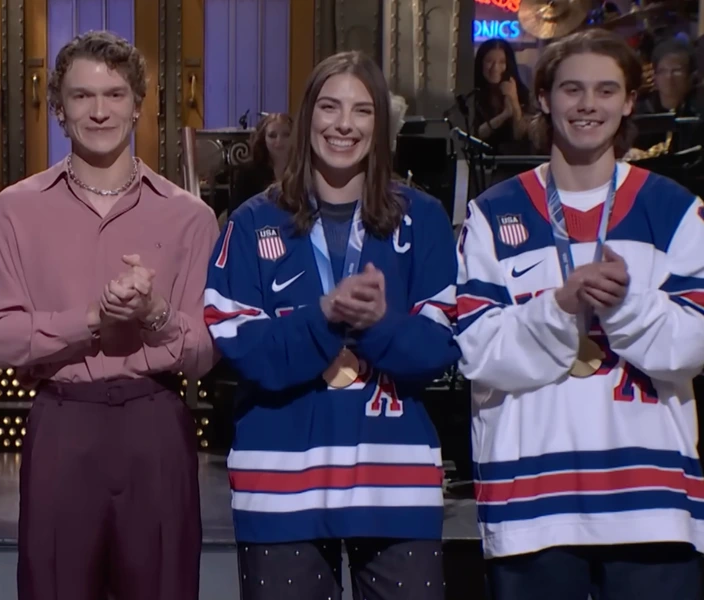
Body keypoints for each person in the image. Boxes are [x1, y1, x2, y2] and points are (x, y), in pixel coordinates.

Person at [456, 29, 704, 600]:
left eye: (605, 90)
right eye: (572, 89)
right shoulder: (492, 214)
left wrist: (624, 304)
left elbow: (692, 345)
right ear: (544, 98)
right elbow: (477, 351)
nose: (588, 105)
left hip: (653, 503)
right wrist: (560, 307)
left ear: (629, 102)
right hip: (531, 506)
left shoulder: (674, 210)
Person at [204, 50, 461, 600]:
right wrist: (325, 316)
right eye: (330, 107)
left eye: (362, 110)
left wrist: (378, 325)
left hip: (395, 483)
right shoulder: (251, 223)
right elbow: (243, 349)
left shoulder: (424, 218)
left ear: (380, 125)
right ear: (306, 117)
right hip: (280, 484)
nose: (344, 124)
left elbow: (440, 345)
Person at [0, 30, 217, 600]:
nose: (99, 111)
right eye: (82, 96)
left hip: (156, 425)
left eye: (114, 95)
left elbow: (206, 353)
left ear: (138, 104)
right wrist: (89, 320)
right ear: (58, 109)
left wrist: (155, 314)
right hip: (62, 424)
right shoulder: (12, 211)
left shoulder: (190, 217)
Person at [472, 39, 532, 154]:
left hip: (512, 160)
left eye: (501, 62)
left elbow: (521, 136)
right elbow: (475, 134)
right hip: (481, 158)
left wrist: (514, 100)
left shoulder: (523, 93)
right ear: (480, 63)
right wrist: (504, 115)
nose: (495, 68)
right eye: (489, 61)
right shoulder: (472, 93)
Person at [230, 112, 291, 214]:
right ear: (263, 139)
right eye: (272, 136)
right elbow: (236, 213)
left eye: (286, 135)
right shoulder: (248, 173)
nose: (279, 141)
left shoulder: (304, 170)